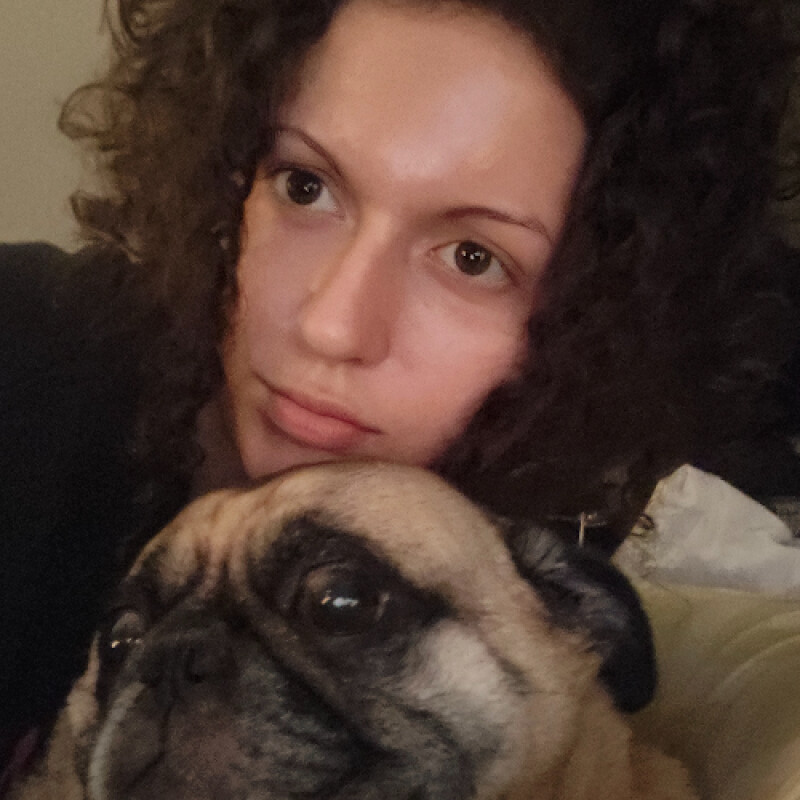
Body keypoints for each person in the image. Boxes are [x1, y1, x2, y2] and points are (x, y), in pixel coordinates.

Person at [2, 0, 799, 784]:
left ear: (593, 316)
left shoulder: (518, 587)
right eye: (304, 186)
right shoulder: (33, 349)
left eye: (473, 257)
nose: (333, 324)